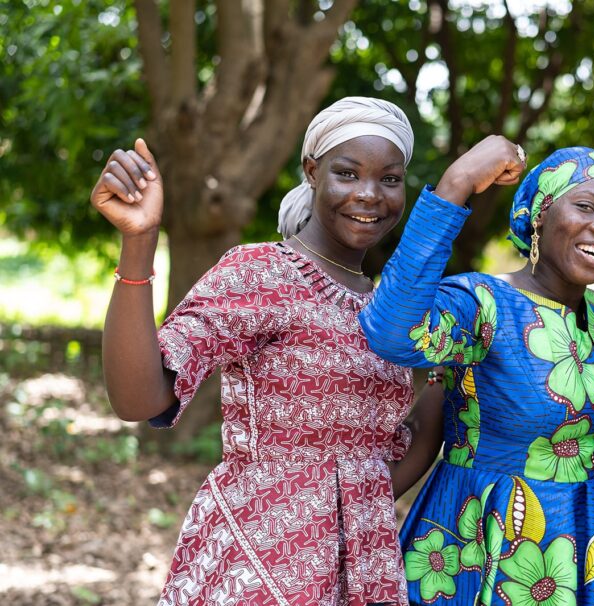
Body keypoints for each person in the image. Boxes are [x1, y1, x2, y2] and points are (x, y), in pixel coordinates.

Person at [91, 97, 423, 605]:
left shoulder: (390, 307)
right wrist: (139, 242)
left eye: (389, 179)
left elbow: (379, 463)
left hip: (360, 571)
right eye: (348, 173)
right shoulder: (262, 273)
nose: (369, 195)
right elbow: (141, 399)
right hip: (257, 564)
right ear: (312, 172)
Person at [360, 141, 594, 604]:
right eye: (585, 206)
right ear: (540, 214)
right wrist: (457, 184)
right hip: (483, 539)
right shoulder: (483, 303)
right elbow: (393, 333)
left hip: (580, 545)